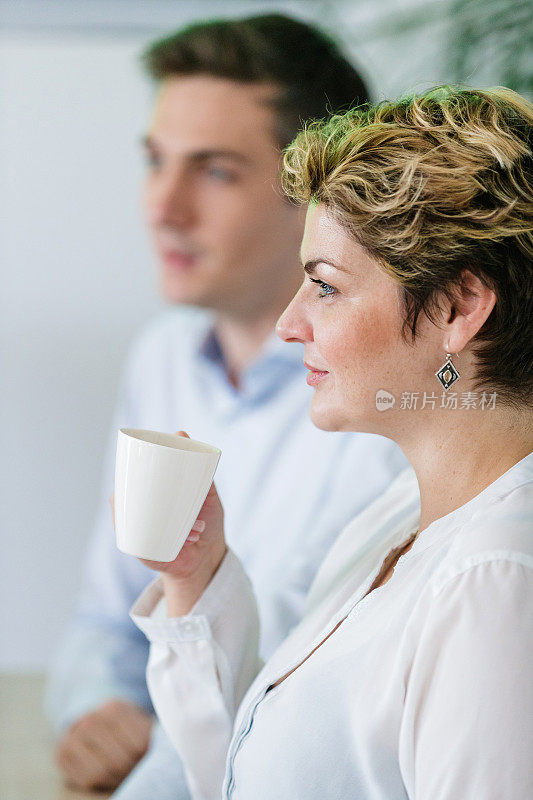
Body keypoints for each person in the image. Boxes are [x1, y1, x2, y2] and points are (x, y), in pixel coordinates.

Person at [131, 86, 533, 799]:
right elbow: (257, 773)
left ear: (458, 307)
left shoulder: (495, 579)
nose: (290, 325)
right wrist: (196, 578)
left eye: (324, 286)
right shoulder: (399, 512)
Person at [46, 14, 408, 797]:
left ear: (321, 194)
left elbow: (284, 691)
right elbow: (106, 610)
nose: (162, 207)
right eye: (156, 163)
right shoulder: (164, 356)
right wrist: (96, 709)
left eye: (214, 172)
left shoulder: (393, 397)